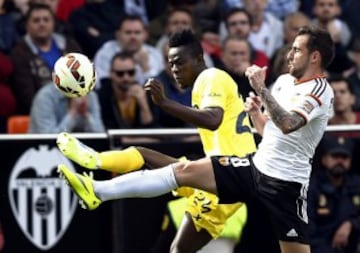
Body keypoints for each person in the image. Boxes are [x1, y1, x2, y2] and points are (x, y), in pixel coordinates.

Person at [58, 26, 335, 253]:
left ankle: (95, 172)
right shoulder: (285, 82)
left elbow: (287, 124)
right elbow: (271, 135)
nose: (289, 54)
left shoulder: (321, 91)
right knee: (178, 171)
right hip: (254, 167)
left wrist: (261, 90)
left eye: (297, 49)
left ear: (315, 57)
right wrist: (256, 116)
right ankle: (97, 188)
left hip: (285, 185)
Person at [308, 135, 360, 253]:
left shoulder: (357, 184)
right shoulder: (312, 187)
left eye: (344, 157)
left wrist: (351, 223)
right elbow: (308, 230)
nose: (340, 161)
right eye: (335, 156)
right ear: (324, 159)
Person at [28, 82, 104, 133]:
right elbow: (49, 139)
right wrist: (72, 113)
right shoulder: (46, 97)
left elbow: (100, 134)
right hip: (42, 152)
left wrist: (86, 115)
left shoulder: (91, 96)